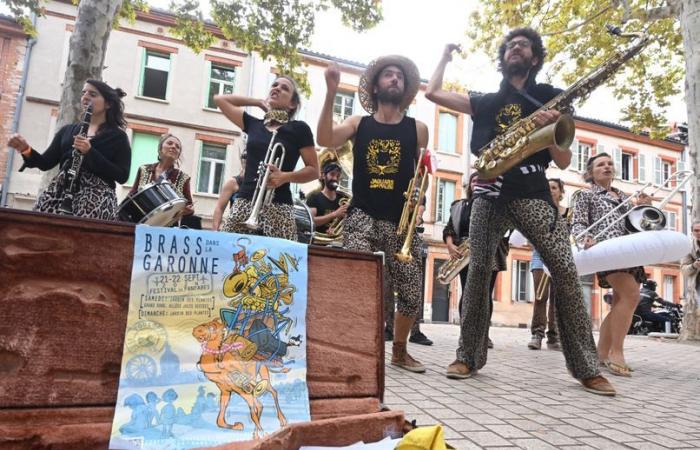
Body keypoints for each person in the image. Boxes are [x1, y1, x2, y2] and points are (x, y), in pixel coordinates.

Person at [426, 29, 615, 395]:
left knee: (563, 268)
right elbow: (433, 93)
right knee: (479, 272)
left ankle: (588, 367)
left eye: (523, 45)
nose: (515, 48)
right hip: (489, 194)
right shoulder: (486, 100)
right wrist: (446, 55)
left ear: (534, 57)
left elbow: (561, 157)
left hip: (533, 191)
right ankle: (467, 356)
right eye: (510, 45)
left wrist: (549, 122)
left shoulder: (549, 96)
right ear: (504, 56)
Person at [317, 55, 429, 373]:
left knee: (410, 292)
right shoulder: (358, 124)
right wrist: (331, 90)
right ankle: (357, 350)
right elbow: (324, 139)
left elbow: (420, 174)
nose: (394, 79)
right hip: (362, 214)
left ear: (404, 88)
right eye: (388, 75)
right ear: (376, 87)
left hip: (399, 221)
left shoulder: (418, 129)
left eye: (399, 77)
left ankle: (400, 350)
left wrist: (419, 203)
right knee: (360, 285)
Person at [571, 152, 652, 377]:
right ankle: (617, 352)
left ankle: (600, 354)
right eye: (600, 164)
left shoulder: (625, 197)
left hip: (630, 252)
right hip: (607, 252)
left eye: (609, 164)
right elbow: (577, 223)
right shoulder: (585, 196)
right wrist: (584, 238)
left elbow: (637, 226)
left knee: (620, 302)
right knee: (631, 296)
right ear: (590, 172)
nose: (607, 167)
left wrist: (644, 207)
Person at [214, 76, 319, 240]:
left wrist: (285, 177)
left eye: (284, 88)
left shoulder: (299, 129)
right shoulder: (253, 124)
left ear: (292, 104)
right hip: (245, 201)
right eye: (274, 85)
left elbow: (314, 171)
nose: (277, 88)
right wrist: (257, 102)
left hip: (279, 206)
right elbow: (220, 99)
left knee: (280, 262)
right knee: (229, 255)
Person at [9, 80, 131, 220]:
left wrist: (90, 152)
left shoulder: (118, 137)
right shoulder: (67, 131)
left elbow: (122, 175)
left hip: (96, 198)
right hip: (60, 191)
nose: (85, 97)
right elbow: (44, 163)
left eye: (92, 94)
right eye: (83, 93)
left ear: (108, 104)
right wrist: (25, 149)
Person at [443, 171, 507, 349]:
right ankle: (466, 334)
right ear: (469, 185)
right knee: (468, 292)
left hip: (490, 250)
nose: (476, 183)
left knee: (485, 294)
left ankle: (484, 335)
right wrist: (450, 245)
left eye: (480, 180)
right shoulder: (459, 205)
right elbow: (449, 228)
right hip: (465, 252)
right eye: (473, 180)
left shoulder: (496, 204)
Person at [527, 178, 569, 350]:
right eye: (548, 187)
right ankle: (537, 334)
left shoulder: (568, 213)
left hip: (560, 259)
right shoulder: (538, 210)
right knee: (540, 296)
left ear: (560, 191)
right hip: (540, 257)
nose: (551, 190)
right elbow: (529, 238)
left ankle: (554, 337)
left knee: (557, 300)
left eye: (554, 187)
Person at [129, 133, 194, 218]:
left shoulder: (183, 178)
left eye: (177, 147)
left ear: (178, 155)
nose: (174, 147)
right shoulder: (144, 169)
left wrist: (188, 210)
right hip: (141, 221)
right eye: (169, 143)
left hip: (166, 227)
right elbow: (132, 195)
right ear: (160, 149)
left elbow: (189, 206)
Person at [305, 157, 349, 237]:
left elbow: (350, 223)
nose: (335, 178)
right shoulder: (314, 198)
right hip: (318, 243)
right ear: (323, 176)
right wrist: (334, 214)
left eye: (338, 176)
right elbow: (310, 221)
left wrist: (338, 231)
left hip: (338, 244)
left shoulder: (343, 199)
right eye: (332, 174)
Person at [212, 151, 246, 231]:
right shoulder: (232, 182)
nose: (246, 159)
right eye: (244, 156)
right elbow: (219, 208)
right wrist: (214, 232)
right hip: (235, 229)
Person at [680, 221, 700, 312]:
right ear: (692, 232)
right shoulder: (688, 247)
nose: (699, 233)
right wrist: (694, 265)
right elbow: (684, 270)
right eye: (696, 230)